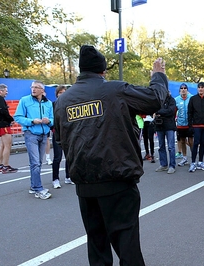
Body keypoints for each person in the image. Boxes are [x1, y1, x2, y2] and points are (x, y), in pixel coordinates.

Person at [54, 45, 168, 265]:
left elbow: (61, 139)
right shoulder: (114, 90)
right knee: (127, 245)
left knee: (97, 247)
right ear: (103, 71)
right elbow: (154, 99)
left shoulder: (63, 100)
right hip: (117, 178)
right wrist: (158, 76)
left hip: (85, 184)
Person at [14, 80, 53, 200]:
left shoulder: (49, 103)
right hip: (31, 134)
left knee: (38, 162)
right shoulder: (25, 100)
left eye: (36, 87)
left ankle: (33, 186)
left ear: (42, 90)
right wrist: (32, 121)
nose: (33, 89)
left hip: (44, 134)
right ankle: (38, 189)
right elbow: (17, 117)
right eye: (32, 87)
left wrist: (49, 121)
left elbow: (53, 118)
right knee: (35, 162)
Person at [187, 82, 204, 172]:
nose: (201, 89)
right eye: (199, 87)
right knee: (196, 143)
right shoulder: (193, 99)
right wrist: (190, 125)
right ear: (197, 89)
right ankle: (193, 162)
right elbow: (189, 112)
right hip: (196, 125)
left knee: (203, 143)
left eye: (202, 87)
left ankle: (201, 162)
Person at [51, 85, 74, 188]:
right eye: (60, 93)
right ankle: (55, 179)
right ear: (57, 94)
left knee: (69, 156)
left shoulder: (69, 104)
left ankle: (68, 176)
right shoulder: (53, 105)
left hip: (68, 133)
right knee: (57, 157)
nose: (62, 95)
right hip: (57, 133)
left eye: (64, 92)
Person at [0, 84, 18, 174]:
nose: (7, 93)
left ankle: (0, 165)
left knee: (2, 145)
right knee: (8, 145)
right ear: (1, 91)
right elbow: (3, 111)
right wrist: (11, 119)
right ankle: (6, 165)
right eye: (6, 91)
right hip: (3, 124)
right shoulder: (0, 99)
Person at [154, 91, 177, 174]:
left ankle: (172, 166)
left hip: (169, 125)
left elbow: (171, 111)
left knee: (171, 147)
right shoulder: (158, 100)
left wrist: (159, 112)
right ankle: (163, 165)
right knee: (161, 146)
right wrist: (162, 112)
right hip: (159, 125)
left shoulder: (171, 100)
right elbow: (154, 109)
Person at [175, 83, 193, 167]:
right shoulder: (176, 100)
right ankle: (184, 157)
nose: (183, 89)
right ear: (179, 90)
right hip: (180, 124)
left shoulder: (192, 98)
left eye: (185, 88)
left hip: (189, 124)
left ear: (187, 89)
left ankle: (193, 158)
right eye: (181, 88)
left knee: (191, 141)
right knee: (182, 141)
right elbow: (174, 112)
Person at [43, 91, 53, 165]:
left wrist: (49, 121)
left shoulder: (48, 103)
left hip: (45, 127)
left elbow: (52, 116)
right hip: (35, 127)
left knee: (47, 141)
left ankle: (48, 158)